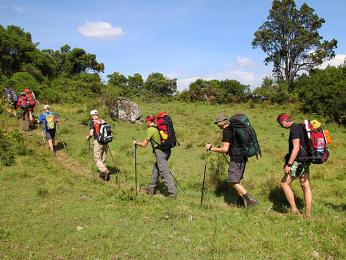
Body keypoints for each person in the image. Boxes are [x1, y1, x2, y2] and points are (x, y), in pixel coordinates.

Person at [205, 112, 258, 208]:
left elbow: (225, 149)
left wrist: (211, 148)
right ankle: (240, 201)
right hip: (243, 157)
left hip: (236, 158)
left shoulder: (227, 131)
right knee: (237, 180)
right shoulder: (235, 128)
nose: (217, 125)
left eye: (217, 123)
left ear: (222, 123)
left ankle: (250, 199)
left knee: (233, 181)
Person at [277, 113, 312, 216]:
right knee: (305, 185)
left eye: (281, 123)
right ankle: (308, 214)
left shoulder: (294, 129)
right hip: (306, 159)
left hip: (299, 160)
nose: (281, 125)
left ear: (285, 121)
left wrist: (289, 164)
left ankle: (294, 210)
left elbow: (296, 148)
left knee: (284, 183)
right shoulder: (300, 126)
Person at [134, 115, 177, 198]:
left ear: (148, 122)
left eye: (146, 122)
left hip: (160, 153)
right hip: (167, 151)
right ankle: (151, 188)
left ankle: (173, 193)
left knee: (164, 173)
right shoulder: (158, 127)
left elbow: (144, 145)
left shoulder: (150, 129)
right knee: (156, 169)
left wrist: (136, 142)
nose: (146, 124)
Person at [86, 110, 110, 181]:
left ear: (92, 115)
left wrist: (88, 137)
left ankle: (105, 171)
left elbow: (91, 133)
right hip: (106, 142)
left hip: (98, 142)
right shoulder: (102, 121)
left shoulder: (92, 122)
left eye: (91, 115)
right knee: (102, 159)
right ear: (97, 114)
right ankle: (104, 175)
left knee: (97, 159)